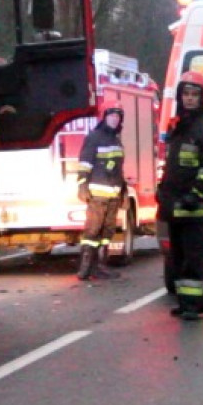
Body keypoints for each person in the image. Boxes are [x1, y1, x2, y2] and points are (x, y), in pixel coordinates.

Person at [158, 71, 203, 321]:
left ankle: (192, 305)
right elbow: (171, 165)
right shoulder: (177, 127)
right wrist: (162, 192)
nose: (189, 99)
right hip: (174, 207)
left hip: (195, 209)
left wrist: (195, 194)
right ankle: (188, 301)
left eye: (194, 94)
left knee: (193, 259)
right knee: (178, 259)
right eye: (185, 94)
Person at [75, 99, 126, 281]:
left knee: (107, 232)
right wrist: (82, 185)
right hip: (98, 194)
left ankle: (99, 265)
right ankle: (86, 267)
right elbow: (85, 163)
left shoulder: (115, 139)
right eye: (111, 115)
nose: (114, 119)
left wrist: (123, 191)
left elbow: (118, 168)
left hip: (113, 194)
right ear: (104, 117)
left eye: (117, 116)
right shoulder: (94, 137)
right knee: (92, 230)